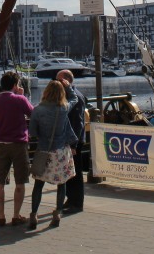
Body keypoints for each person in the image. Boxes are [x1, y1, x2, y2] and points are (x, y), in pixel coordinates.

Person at [27, 79, 77, 230]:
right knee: (62, 183)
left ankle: (33, 214)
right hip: (61, 151)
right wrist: (68, 87)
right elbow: (74, 99)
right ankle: (57, 212)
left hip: (43, 150)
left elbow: (33, 132)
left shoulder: (37, 110)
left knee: (38, 184)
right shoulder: (63, 108)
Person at [0, 71, 33, 227]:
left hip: (1, 144)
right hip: (18, 144)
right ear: (15, 85)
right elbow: (32, 114)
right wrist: (23, 96)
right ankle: (16, 215)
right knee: (20, 182)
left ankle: (1, 216)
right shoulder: (19, 99)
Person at [57, 69, 87, 213]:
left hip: (74, 141)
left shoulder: (77, 98)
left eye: (59, 80)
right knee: (69, 172)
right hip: (68, 139)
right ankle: (70, 199)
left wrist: (74, 144)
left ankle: (77, 202)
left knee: (76, 172)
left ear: (67, 81)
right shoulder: (68, 96)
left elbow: (78, 123)